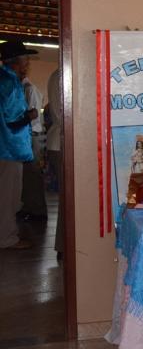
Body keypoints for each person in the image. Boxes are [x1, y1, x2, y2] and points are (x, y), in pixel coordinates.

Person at [0, 41, 38, 250]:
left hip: (4, 146)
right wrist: (30, 115)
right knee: (8, 197)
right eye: (26, 59)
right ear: (17, 61)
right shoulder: (11, 83)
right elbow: (13, 119)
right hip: (9, 147)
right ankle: (7, 238)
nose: (28, 62)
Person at [19, 71, 47, 220]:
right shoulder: (23, 89)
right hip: (26, 136)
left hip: (32, 136)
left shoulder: (30, 89)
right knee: (27, 175)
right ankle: (28, 206)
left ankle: (38, 210)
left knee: (33, 175)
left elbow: (33, 117)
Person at [45, 68, 64, 258]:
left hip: (57, 141)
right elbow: (63, 115)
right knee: (68, 199)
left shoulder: (56, 74)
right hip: (61, 142)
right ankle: (64, 244)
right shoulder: (61, 75)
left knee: (66, 199)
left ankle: (63, 244)